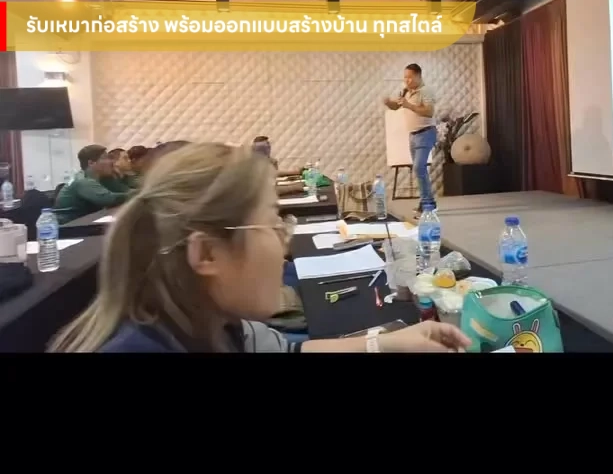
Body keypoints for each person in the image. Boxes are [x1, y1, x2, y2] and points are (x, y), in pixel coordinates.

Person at [48, 143, 470, 354]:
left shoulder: (212, 323)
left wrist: (386, 344)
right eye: (272, 223)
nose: (285, 244)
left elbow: (289, 350)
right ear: (206, 254)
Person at [384, 63, 438, 218]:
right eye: (405, 77)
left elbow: (429, 111)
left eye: (410, 77)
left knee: (419, 167)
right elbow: (397, 106)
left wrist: (409, 105)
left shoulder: (426, 90)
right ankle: (427, 202)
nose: (406, 80)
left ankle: (428, 205)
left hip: (426, 133)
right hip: (413, 135)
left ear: (418, 76)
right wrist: (389, 103)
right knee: (419, 170)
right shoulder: (406, 91)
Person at [53, 144, 138, 222]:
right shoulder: (83, 181)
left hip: (87, 222)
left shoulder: (103, 178)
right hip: (68, 226)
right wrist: (139, 194)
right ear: (91, 163)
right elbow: (109, 199)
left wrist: (138, 192)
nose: (111, 162)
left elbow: (125, 190)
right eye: (105, 158)